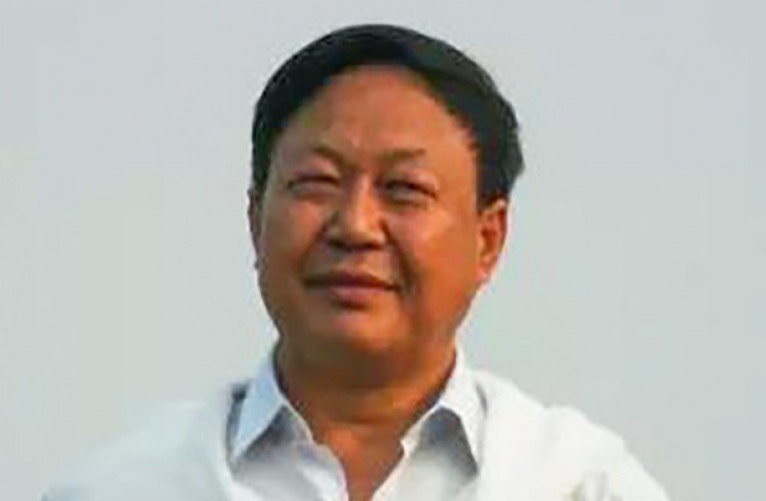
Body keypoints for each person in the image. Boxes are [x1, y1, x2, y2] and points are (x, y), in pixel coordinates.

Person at [44, 24, 669, 501]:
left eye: (404, 190)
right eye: (317, 182)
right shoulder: (125, 487)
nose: (355, 226)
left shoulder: (578, 484)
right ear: (255, 219)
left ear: (488, 239)